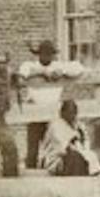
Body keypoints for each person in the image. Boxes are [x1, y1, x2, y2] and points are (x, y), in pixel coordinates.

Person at [17, 39, 86, 169]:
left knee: (54, 145)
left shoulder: (57, 66)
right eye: (44, 54)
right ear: (39, 54)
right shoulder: (31, 65)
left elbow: (79, 68)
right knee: (33, 146)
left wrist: (62, 72)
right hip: (35, 111)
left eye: (50, 54)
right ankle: (30, 172)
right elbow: (22, 72)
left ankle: (51, 170)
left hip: (53, 113)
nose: (47, 57)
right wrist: (42, 72)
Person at [39, 98, 100, 177]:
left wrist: (82, 139)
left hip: (76, 155)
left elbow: (85, 141)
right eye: (69, 113)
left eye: (74, 113)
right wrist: (76, 139)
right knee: (75, 157)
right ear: (62, 113)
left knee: (90, 157)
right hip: (57, 160)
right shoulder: (56, 126)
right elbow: (62, 147)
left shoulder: (78, 125)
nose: (72, 116)